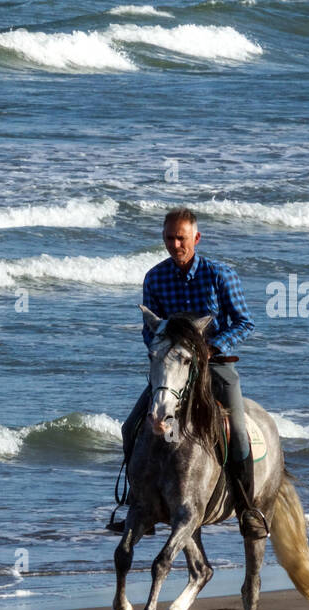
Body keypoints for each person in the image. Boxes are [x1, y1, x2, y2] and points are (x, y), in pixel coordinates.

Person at [109, 207, 268, 538]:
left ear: (196, 238)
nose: (175, 244)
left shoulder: (220, 275)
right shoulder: (155, 278)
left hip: (214, 367)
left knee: (237, 433)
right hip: (173, 374)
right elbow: (149, 330)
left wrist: (209, 348)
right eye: (169, 237)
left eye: (181, 237)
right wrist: (161, 355)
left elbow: (244, 322)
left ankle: (246, 508)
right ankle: (138, 504)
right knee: (131, 429)